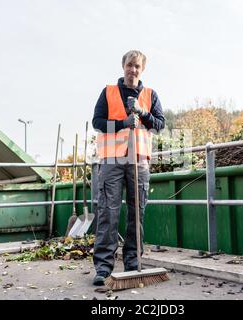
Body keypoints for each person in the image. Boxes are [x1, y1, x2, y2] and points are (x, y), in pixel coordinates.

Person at [91, 50, 165, 286]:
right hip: (111, 161)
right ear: (123, 66)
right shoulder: (109, 92)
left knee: (137, 214)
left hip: (139, 162)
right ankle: (103, 268)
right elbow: (97, 122)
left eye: (137, 66)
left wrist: (143, 114)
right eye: (129, 65)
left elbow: (160, 124)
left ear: (142, 70)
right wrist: (122, 123)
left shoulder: (151, 95)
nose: (133, 70)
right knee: (108, 213)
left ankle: (133, 264)